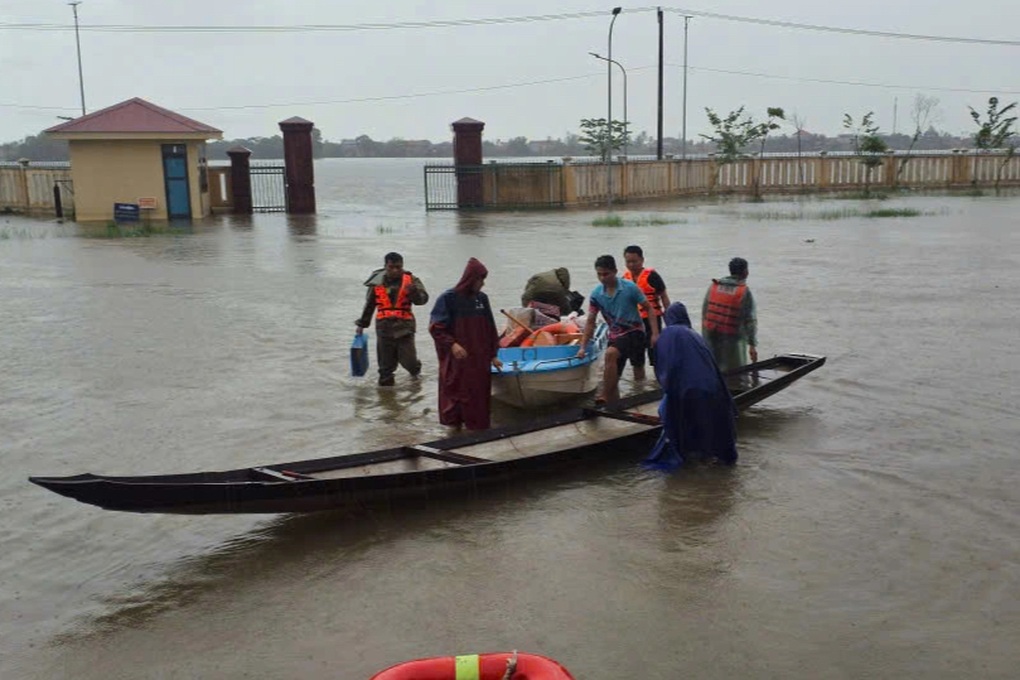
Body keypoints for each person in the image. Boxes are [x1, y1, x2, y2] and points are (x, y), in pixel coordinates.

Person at [643, 302, 738, 471]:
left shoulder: (667, 335)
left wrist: (669, 392)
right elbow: (713, 368)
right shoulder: (695, 336)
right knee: (710, 426)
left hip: (685, 390)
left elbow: (664, 369)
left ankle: (689, 460)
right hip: (712, 389)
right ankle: (713, 460)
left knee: (674, 418)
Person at [429, 258, 503, 430]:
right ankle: (454, 431)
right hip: (457, 360)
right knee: (454, 393)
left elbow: (490, 328)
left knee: (478, 397)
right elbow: (436, 327)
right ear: (471, 279)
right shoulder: (448, 298)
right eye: (480, 279)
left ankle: (477, 432)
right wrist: (452, 344)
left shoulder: (482, 299)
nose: (483, 284)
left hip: (479, 360)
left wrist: (493, 354)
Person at [577, 255, 659, 405]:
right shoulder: (596, 295)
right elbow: (590, 322)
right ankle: (613, 404)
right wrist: (583, 347)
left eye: (606, 274)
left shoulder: (629, 288)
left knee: (623, 361)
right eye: (599, 274)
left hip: (635, 332)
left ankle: (609, 395)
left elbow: (649, 309)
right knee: (614, 373)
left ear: (615, 271)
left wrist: (654, 334)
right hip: (615, 336)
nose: (602, 278)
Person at [355, 252, 429, 386]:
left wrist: (413, 292)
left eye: (398, 267)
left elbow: (422, 300)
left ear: (402, 266)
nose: (395, 270)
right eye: (391, 267)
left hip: (405, 329)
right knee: (385, 369)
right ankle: (386, 396)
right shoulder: (376, 281)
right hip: (384, 329)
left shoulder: (412, 280)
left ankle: (416, 375)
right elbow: (370, 304)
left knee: (410, 363)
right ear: (385, 266)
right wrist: (362, 325)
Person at [621, 245, 671, 380]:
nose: (631, 265)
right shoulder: (624, 279)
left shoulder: (652, 276)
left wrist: (670, 320)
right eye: (628, 262)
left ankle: (659, 384)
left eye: (634, 261)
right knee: (636, 360)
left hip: (652, 321)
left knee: (656, 357)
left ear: (642, 260)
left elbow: (664, 297)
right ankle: (639, 387)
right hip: (633, 324)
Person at [702, 256, 758, 373]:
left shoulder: (713, 287)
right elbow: (750, 320)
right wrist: (752, 345)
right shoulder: (744, 292)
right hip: (732, 343)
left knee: (714, 371)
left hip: (711, 338)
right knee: (735, 374)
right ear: (745, 272)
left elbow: (705, 313)